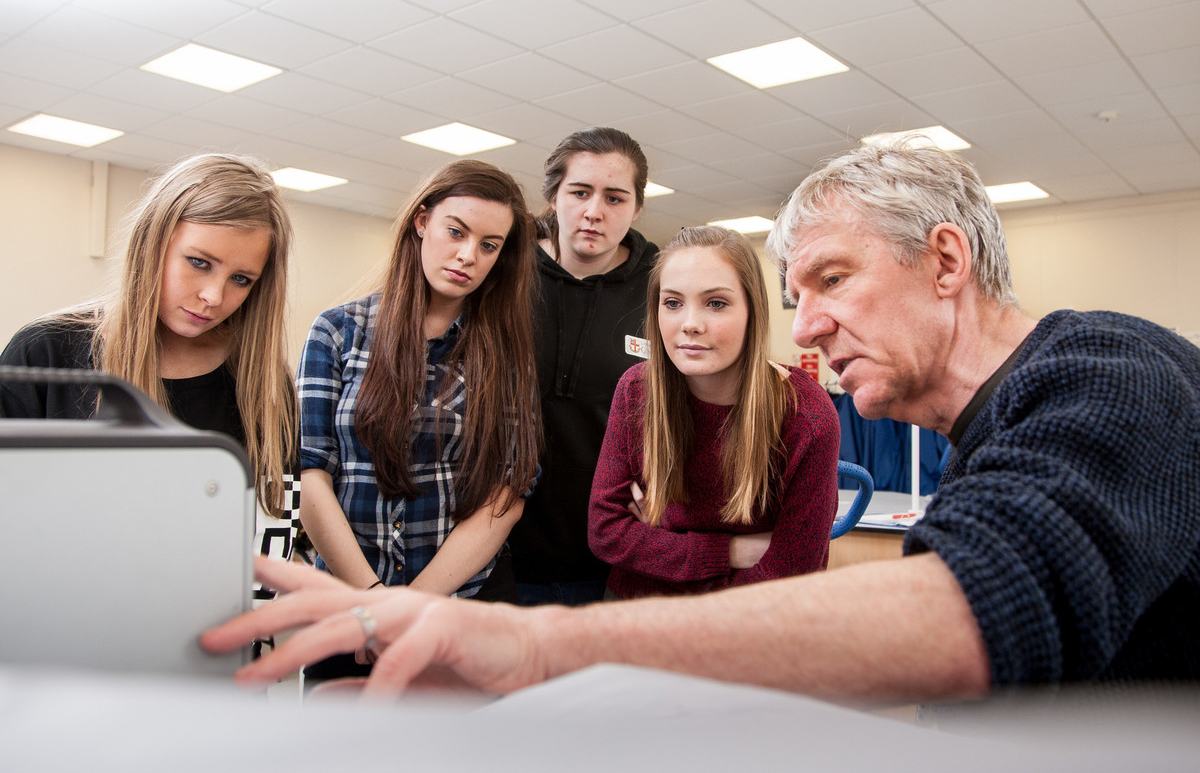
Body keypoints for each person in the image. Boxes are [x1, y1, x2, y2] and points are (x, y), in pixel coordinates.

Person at [203, 141, 1200, 703]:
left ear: (946, 260)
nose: (807, 322)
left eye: (833, 279)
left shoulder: (1108, 371)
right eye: (795, 290)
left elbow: (969, 613)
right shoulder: (994, 429)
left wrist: (548, 645)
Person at [1, 153, 302, 605]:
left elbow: (270, 538)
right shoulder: (47, 352)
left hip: (212, 652)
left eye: (241, 279)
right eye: (200, 262)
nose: (213, 296)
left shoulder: (261, 383)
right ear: (154, 241)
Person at [295, 159, 540, 613]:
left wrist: (413, 606)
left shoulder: (507, 354)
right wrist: (370, 601)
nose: (469, 255)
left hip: (460, 604)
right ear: (422, 221)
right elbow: (310, 473)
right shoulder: (336, 332)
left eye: (489, 245)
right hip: (345, 602)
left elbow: (507, 491)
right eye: (456, 232)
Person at [588, 226, 839, 598]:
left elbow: (793, 567)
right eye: (672, 303)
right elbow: (606, 532)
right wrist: (731, 551)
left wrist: (660, 543)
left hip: (746, 629)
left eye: (716, 303)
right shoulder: (637, 390)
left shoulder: (806, 412)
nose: (691, 323)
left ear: (752, 310)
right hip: (637, 613)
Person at [507, 127, 659, 606]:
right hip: (495, 556)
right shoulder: (502, 274)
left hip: (614, 558)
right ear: (554, 197)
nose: (594, 211)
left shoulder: (665, 289)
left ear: (636, 209)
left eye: (615, 198)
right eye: (579, 192)